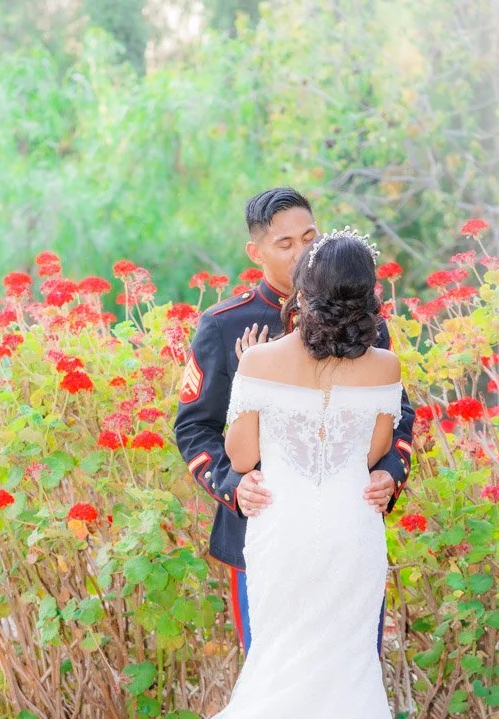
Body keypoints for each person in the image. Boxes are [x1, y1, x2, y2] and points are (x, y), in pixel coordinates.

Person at [0, 229, 419, 719]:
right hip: (348, 529)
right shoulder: (386, 363)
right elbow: (373, 451)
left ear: (303, 289)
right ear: (369, 295)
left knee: (280, 673)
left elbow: (241, 459)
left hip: (285, 530)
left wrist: (251, 384)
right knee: (343, 675)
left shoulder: (264, 357)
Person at [173, 187, 415, 654]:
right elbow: (193, 425)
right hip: (260, 529)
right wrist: (233, 485)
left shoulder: (364, 319)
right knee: (272, 671)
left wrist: (390, 472)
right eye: (285, 244)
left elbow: (397, 414)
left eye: (310, 237)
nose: (303, 252)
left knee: (352, 663)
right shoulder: (225, 325)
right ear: (256, 252)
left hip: (346, 529)